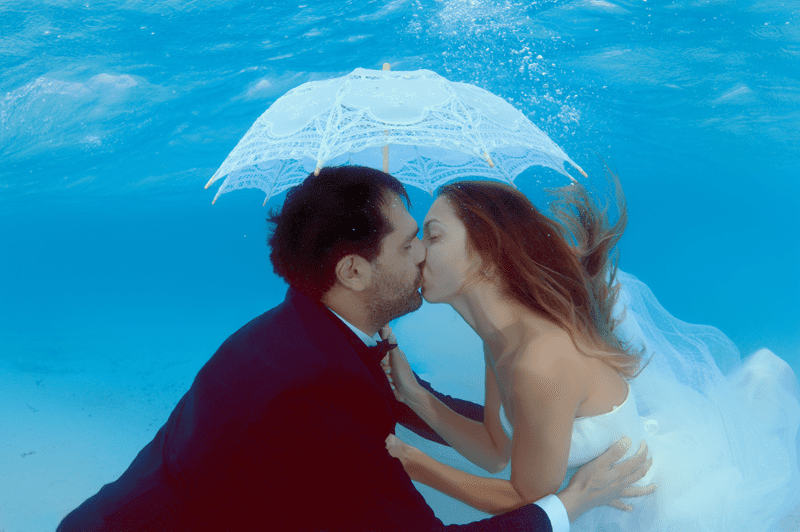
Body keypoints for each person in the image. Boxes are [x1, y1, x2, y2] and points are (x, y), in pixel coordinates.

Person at [56, 166, 654, 532]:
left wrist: (414, 398)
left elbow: (504, 438)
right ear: (353, 272)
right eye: (410, 241)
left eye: (429, 236)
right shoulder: (313, 385)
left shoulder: (312, 334)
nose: (421, 254)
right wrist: (566, 505)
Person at [381, 175, 800, 531]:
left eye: (433, 236)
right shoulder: (500, 341)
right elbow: (495, 452)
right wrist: (414, 394)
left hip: (658, 513)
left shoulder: (540, 361)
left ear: (487, 253)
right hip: (599, 508)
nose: (417, 251)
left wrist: (411, 464)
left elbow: (526, 497)